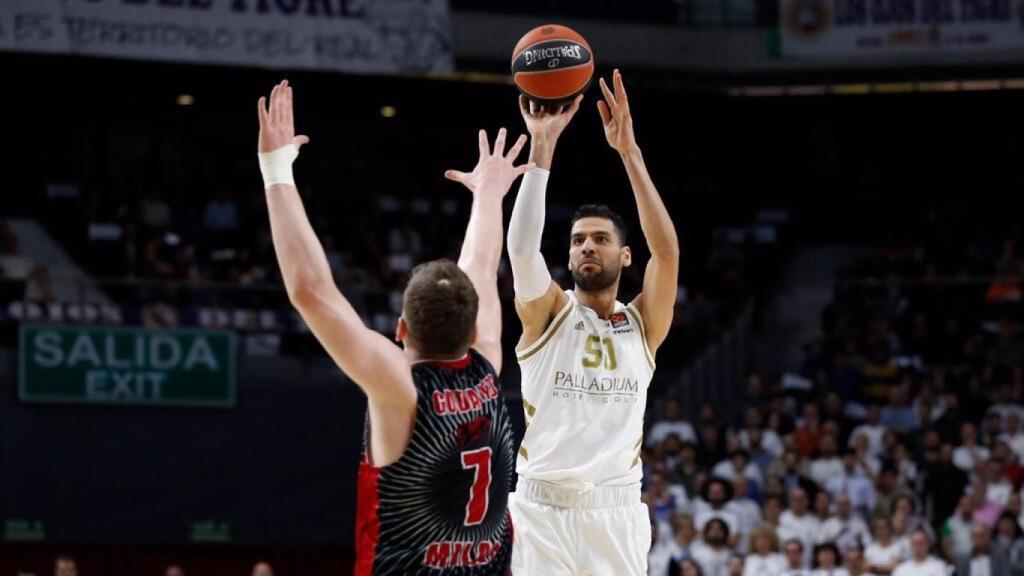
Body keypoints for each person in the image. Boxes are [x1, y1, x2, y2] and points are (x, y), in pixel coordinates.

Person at [256, 80, 529, 574]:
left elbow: (310, 291)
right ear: (472, 330)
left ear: (401, 329)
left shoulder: (400, 388)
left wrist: (276, 172)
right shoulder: (489, 364)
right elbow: (482, 264)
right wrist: (489, 193)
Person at [506, 69, 680, 575]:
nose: (586, 245)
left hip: (616, 509)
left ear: (625, 257)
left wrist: (630, 152)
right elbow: (520, 249)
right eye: (578, 238)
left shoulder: (644, 323)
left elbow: (667, 253)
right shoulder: (549, 313)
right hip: (542, 508)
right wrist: (541, 148)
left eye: (600, 238)